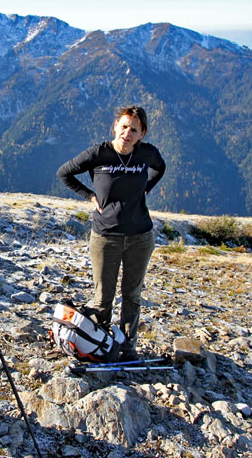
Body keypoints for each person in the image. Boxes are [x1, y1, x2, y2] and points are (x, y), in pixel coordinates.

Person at [56, 105, 165, 361]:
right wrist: (89, 195)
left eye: (134, 130)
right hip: (105, 236)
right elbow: (64, 173)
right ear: (115, 126)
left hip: (141, 236)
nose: (127, 133)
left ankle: (127, 349)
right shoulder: (99, 153)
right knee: (103, 297)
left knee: (132, 296)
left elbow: (160, 168)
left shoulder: (147, 154)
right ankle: (99, 346)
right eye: (124, 126)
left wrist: (146, 188)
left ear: (142, 134)